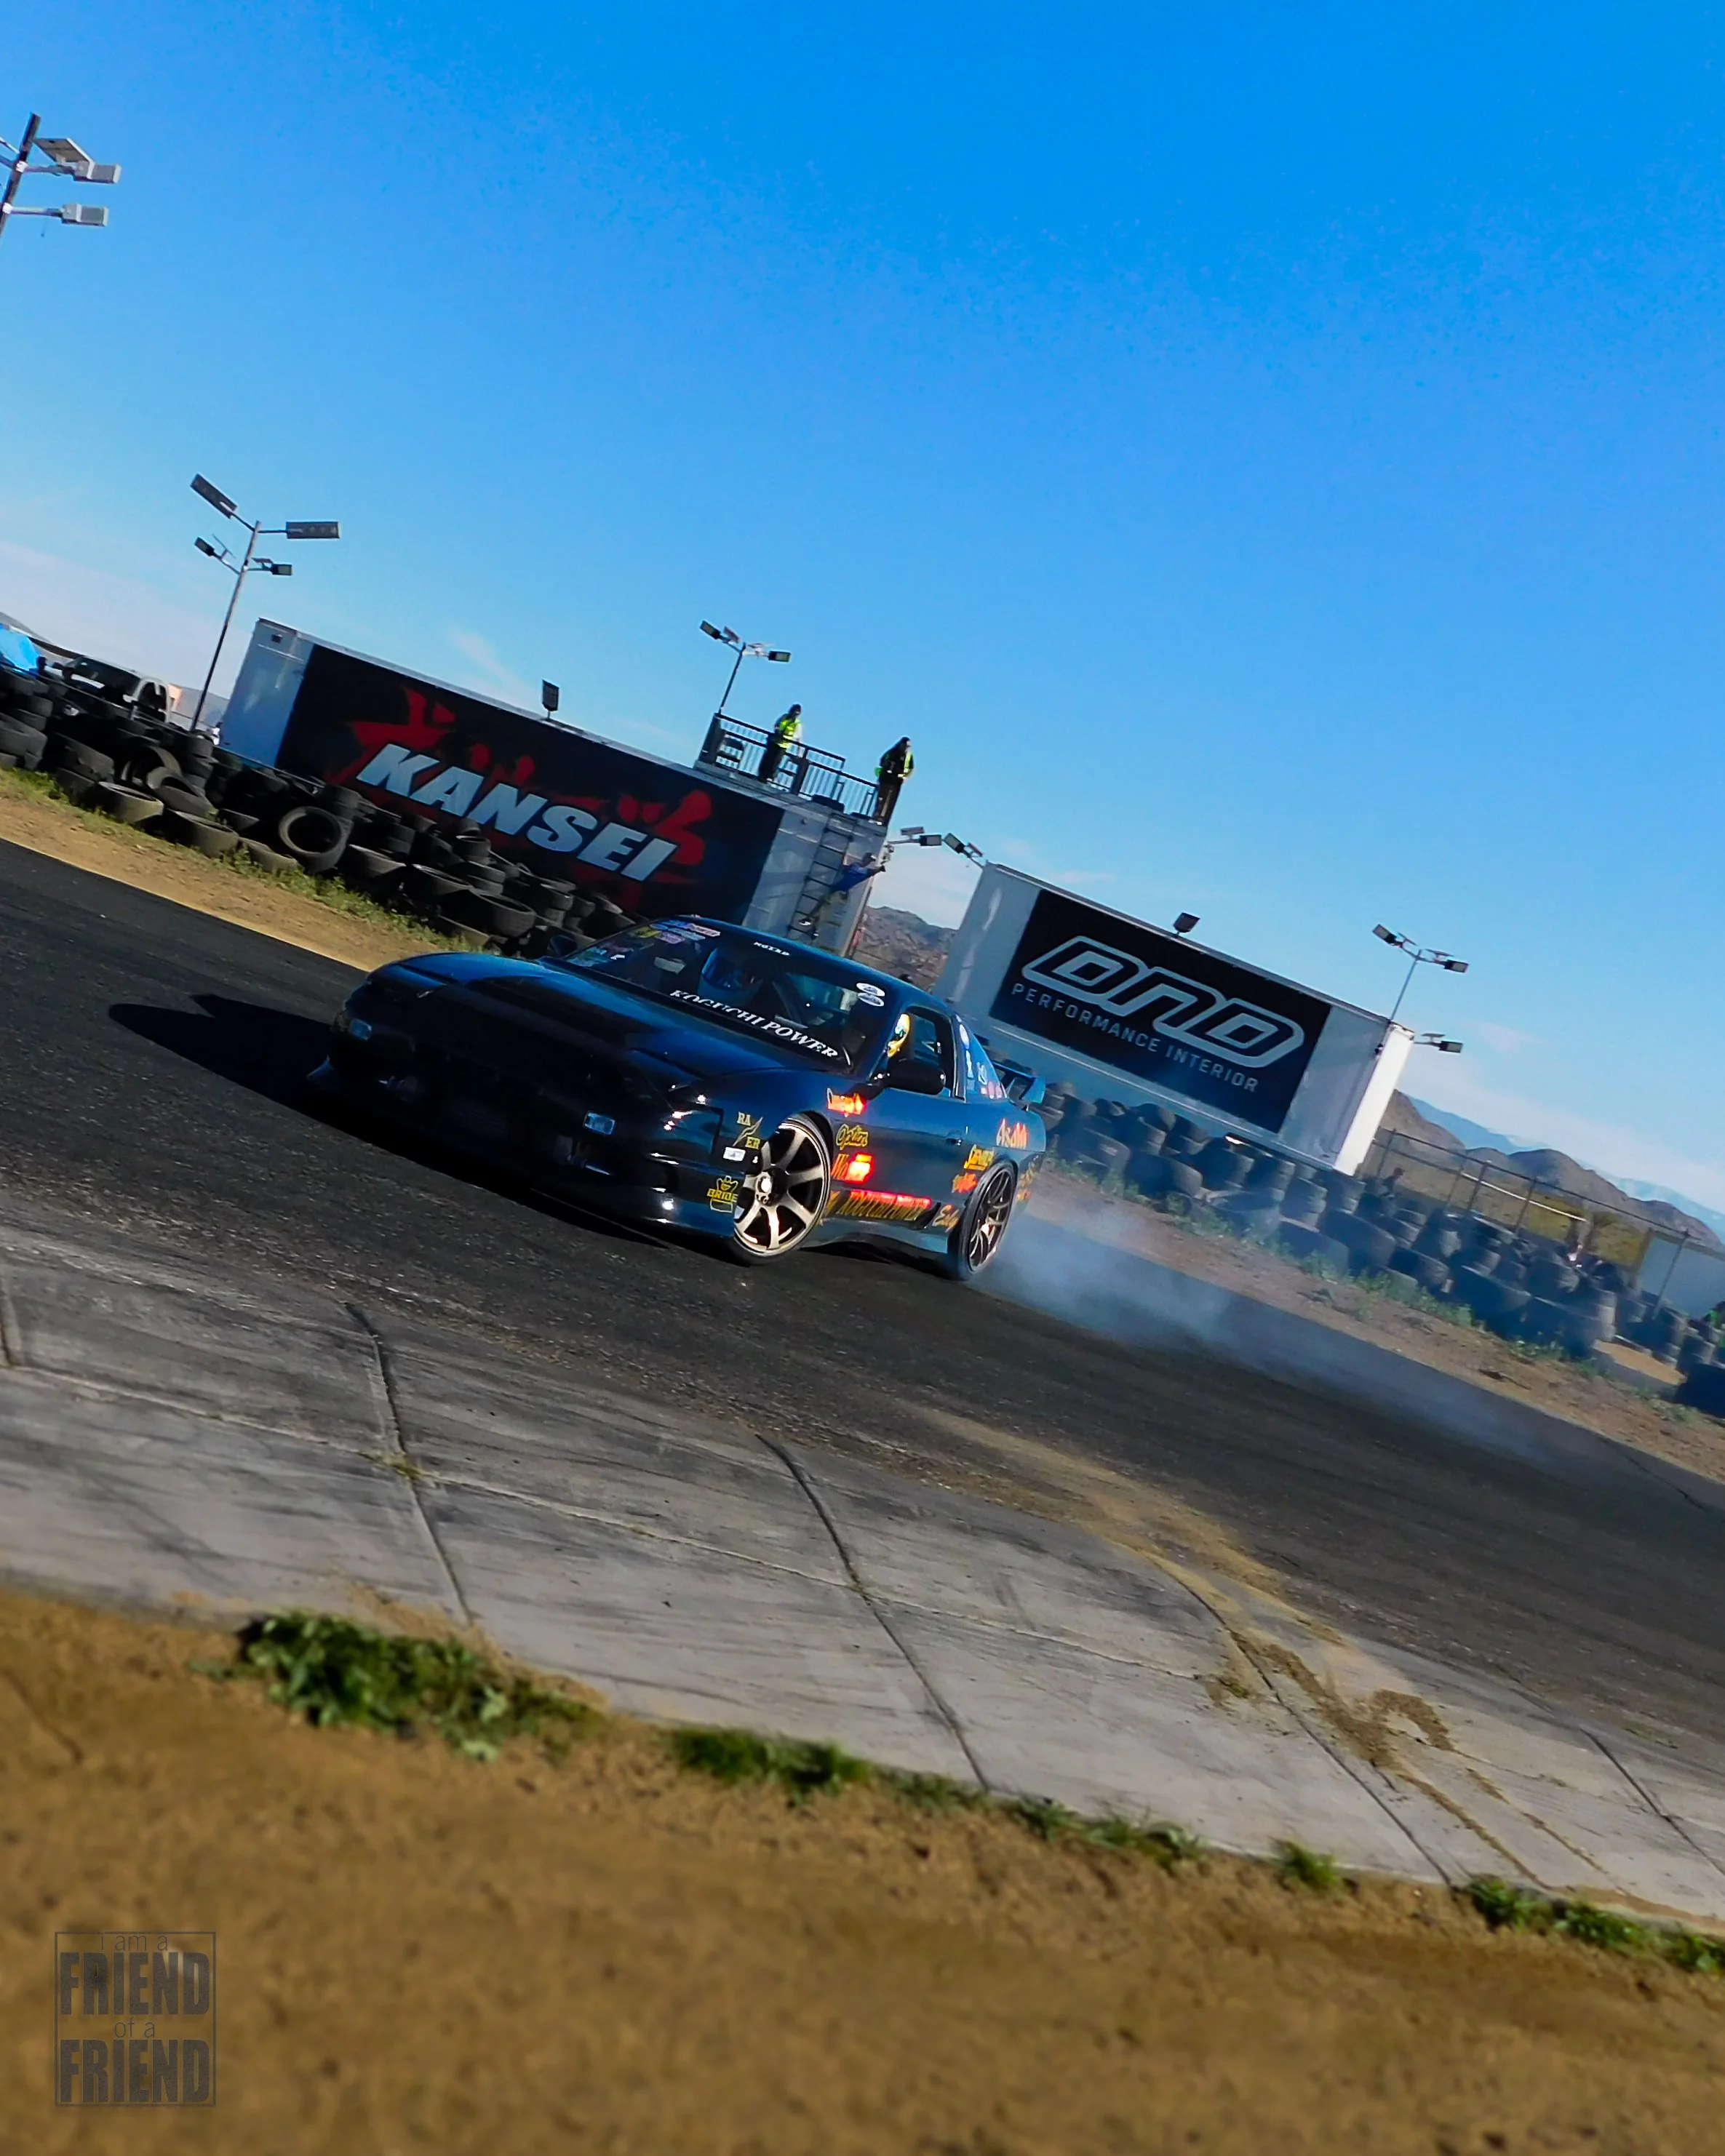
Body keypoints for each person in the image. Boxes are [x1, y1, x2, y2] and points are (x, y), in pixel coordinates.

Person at [759, 703, 802, 786]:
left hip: (783, 745)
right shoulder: (784, 717)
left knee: (775, 762)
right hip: (775, 741)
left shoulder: (797, 724)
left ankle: (769, 778)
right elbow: (777, 725)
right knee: (767, 759)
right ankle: (761, 775)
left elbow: (798, 738)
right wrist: (777, 731)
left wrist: (799, 752)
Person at [874, 735, 914, 823]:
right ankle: (877, 816)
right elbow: (882, 761)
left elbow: (910, 769)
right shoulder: (892, 752)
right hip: (886, 779)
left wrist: (903, 776)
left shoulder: (908, 757)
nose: (905, 748)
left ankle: (885, 820)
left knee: (891, 802)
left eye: (908, 746)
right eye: (904, 745)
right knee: (881, 799)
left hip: (896, 783)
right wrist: (887, 767)